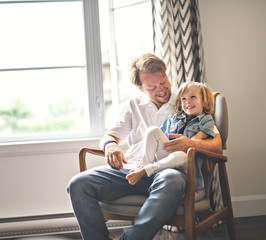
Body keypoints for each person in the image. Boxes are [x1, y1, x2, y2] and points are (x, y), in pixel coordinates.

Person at [67, 53, 222, 240]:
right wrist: (110, 146)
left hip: (168, 171)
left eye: (163, 82)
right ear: (140, 88)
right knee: (78, 184)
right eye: (152, 87)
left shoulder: (186, 102)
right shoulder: (133, 105)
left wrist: (189, 143)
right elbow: (110, 136)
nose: (162, 90)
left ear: (166, 74)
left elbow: (217, 145)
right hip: (133, 168)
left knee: (172, 179)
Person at [125, 81, 215, 187]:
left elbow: (198, 138)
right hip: (167, 156)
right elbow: (159, 138)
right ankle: (144, 165)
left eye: (193, 97)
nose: (188, 102)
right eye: (184, 99)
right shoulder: (173, 118)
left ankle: (147, 170)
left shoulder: (206, 120)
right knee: (153, 130)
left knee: (181, 155)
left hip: (186, 161)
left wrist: (185, 143)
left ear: (204, 101)